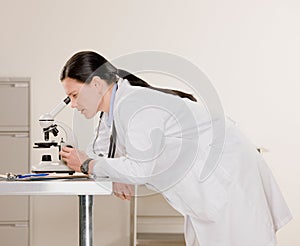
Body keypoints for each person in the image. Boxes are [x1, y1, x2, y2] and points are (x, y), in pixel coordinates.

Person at [60, 51, 292, 246]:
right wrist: (108, 170)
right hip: (208, 188)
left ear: (98, 84)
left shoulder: (135, 105)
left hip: (229, 179)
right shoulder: (112, 112)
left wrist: (90, 165)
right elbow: (101, 153)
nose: (72, 104)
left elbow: (137, 169)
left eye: (74, 95)